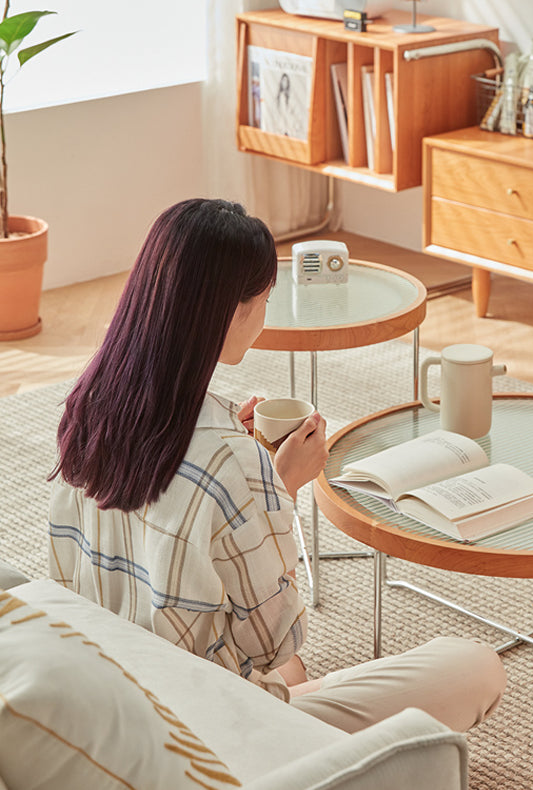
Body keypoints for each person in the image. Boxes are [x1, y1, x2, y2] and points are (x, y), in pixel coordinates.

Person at [48, 198, 506, 734]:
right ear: (234, 309)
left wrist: (247, 486)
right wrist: (278, 488)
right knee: (474, 667)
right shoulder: (230, 458)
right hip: (208, 730)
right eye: (264, 297)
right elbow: (273, 640)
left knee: (291, 672)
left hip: (110, 698)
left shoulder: (92, 402)